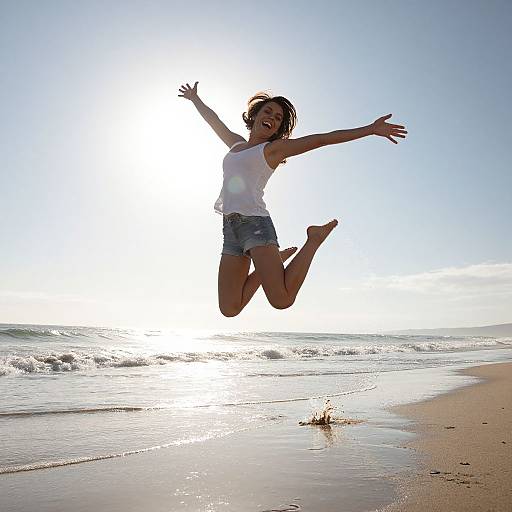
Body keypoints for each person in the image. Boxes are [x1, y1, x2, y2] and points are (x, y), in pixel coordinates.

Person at [178, 81, 407, 317]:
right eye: (268, 112)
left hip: (255, 226)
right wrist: (195, 99)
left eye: (278, 118)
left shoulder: (273, 150)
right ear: (255, 115)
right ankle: (273, 262)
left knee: (282, 299)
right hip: (230, 228)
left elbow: (321, 139)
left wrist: (369, 129)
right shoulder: (236, 145)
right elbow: (214, 121)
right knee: (229, 308)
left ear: (278, 129)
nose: (272, 118)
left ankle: (314, 239)